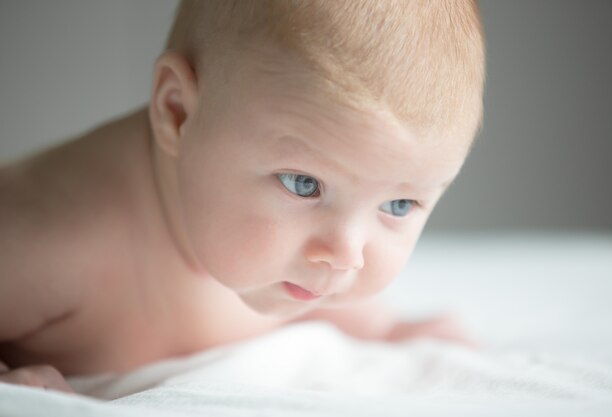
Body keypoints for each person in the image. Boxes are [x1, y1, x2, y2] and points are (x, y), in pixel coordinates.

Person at [0, 0, 485, 394]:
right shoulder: (62, 238)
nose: (347, 256)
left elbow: (321, 300)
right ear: (177, 114)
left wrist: (388, 330)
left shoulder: (284, 253)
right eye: (303, 184)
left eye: (398, 206)